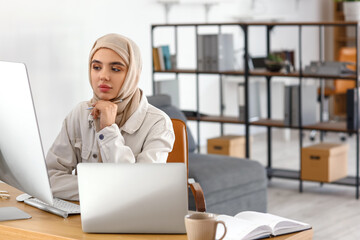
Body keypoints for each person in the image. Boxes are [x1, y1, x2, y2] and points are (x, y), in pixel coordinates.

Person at [46, 33, 175, 200]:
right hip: (81, 217)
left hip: (133, 221)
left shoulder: (158, 123)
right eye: (96, 67)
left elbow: (139, 190)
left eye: (115, 69)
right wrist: (105, 189)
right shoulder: (80, 113)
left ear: (133, 74)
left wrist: (108, 130)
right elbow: (50, 178)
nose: (103, 76)